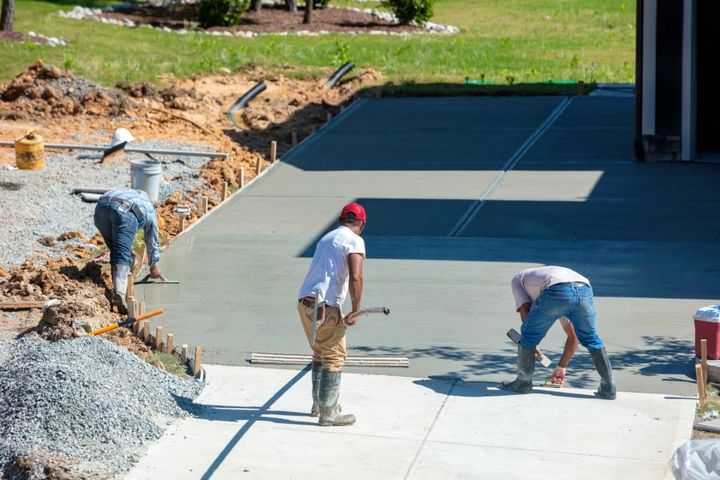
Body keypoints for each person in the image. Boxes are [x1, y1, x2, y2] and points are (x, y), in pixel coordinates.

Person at [297, 202, 367, 426]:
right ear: (362, 224)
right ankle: (329, 413)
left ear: (341, 221)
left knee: (320, 352)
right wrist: (356, 310)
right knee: (335, 356)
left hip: (305, 303)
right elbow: (356, 276)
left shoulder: (326, 238)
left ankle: (318, 405)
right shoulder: (355, 241)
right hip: (325, 307)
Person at [502, 265, 617, 400]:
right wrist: (561, 367)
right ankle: (609, 387)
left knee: (528, 335)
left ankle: (523, 382)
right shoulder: (552, 292)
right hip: (584, 289)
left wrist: (531, 343)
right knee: (591, 338)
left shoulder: (517, 280)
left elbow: (525, 311)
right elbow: (574, 337)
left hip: (556, 290)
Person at [94, 187, 162, 314]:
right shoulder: (149, 208)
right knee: (122, 254)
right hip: (124, 212)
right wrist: (154, 265)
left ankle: (118, 290)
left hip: (101, 208)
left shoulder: (129, 193)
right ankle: (119, 293)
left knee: (117, 251)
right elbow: (151, 239)